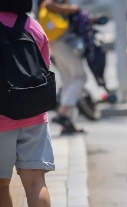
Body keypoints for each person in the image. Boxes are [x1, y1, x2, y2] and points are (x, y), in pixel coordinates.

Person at [0, 0, 59, 207]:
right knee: (36, 183)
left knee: (1, 185)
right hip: (34, 116)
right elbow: (44, 68)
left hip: (1, 119)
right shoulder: (34, 27)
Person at [39, 0, 86, 134]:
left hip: (56, 43)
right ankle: (63, 112)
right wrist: (70, 9)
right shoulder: (54, 4)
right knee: (80, 77)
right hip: (62, 43)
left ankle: (68, 123)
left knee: (68, 81)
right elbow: (48, 4)